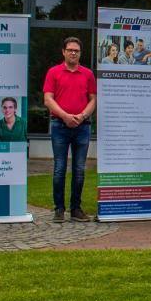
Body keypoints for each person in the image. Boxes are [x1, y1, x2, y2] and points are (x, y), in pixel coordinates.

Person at [43, 37, 97, 223]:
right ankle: (59, 208)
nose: (73, 53)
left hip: (82, 127)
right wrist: (65, 116)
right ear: (63, 52)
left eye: (77, 50)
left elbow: (93, 100)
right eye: (70, 50)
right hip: (59, 125)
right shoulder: (54, 72)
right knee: (59, 168)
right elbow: (48, 99)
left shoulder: (88, 74)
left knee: (79, 170)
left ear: (80, 53)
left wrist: (81, 116)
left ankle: (76, 209)